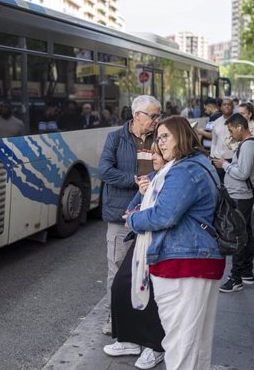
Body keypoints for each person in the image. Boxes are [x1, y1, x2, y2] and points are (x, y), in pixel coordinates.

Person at [126, 116, 223, 370]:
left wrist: (134, 219)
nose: (161, 143)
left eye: (166, 136)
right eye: (158, 138)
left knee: (180, 345)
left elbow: (164, 215)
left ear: (183, 135)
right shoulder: (199, 163)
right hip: (198, 259)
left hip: (183, 263)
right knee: (196, 343)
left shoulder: (184, 170)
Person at [97, 95, 162, 336]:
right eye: (153, 116)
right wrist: (133, 182)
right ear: (137, 115)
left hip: (153, 214)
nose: (156, 121)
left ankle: (141, 320)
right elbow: (104, 170)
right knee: (117, 270)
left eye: (158, 116)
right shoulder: (115, 138)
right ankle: (113, 318)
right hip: (121, 215)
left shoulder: (160, 138)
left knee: (148, 270)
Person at [104, 143, 167, 369]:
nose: (154, 157)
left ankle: (155, 346)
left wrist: (138, 212)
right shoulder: (151, 176)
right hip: (142, 241)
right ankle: (129, 339)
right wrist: (142, 196)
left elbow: (161, 215)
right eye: (153, 152)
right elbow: (130, 210)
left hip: (161, 245)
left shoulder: (174, 176)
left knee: (153, 297)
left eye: (159, 153)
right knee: (121, 286)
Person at [212, 113, 254, 293]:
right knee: (245, 233)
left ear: (240, 127)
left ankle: (235, 278)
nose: (231, 133)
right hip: (241, 195)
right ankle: (246, 272)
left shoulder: (248, 146)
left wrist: (224, 165)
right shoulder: (246, 144)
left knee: (237, 236)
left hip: (241, 196)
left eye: (232, 130)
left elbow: (242, 173)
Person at [210, 98, 235, 181]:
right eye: (224, 104)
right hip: (218, 159)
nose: (227, 106)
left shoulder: (238, 121)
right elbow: (214, 141)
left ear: (233, 107)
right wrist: (212, 156)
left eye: (229, 104)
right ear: (220, 107)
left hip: (233, 159)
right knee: (219, 184)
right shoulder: (216, 122)